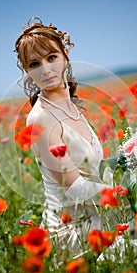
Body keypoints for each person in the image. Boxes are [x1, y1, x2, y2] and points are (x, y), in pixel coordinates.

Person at [14, 17, 113, 257]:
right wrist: (125, 192)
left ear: (65, 56)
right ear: (27, 72)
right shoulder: (41, 118)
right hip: (71, 228)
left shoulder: (71, 108)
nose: (46, 70)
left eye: (51, 58)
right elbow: (75, 189)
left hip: (98, 212)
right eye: (35, 64)